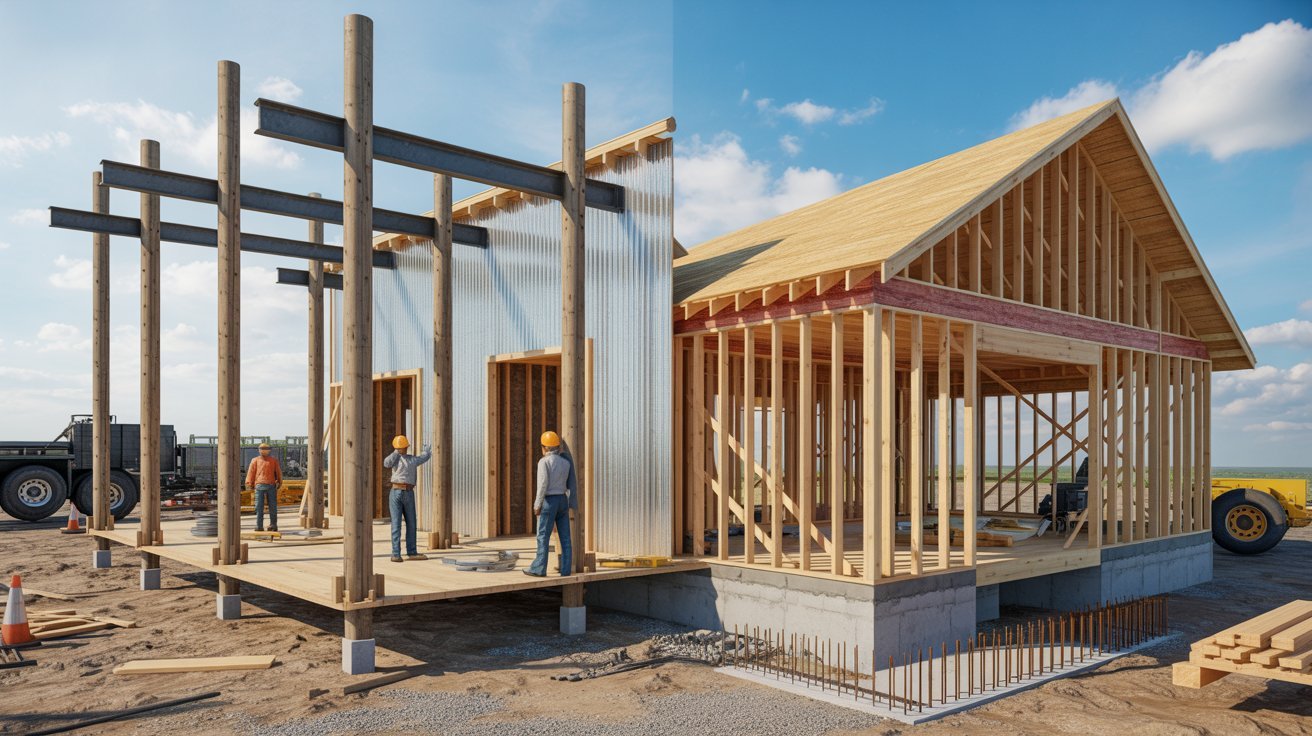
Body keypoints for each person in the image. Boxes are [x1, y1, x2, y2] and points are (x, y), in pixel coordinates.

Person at [525, 430, 576, 577]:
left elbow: (542, 485)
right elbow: (568, 484)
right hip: (562, 500)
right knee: (565, 537)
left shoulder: (543, 462)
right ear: (557, 447)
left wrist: (537, 505)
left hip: (549, 501)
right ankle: (566, 570)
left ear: (545, 447)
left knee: (543, 536)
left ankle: (539, 569)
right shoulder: (566, 463)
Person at [383, 435, 431, 563]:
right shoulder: (396, 459)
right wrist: (426, 452)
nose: (403, 449)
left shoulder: (410, 459)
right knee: (401, 524)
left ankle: (405, 553)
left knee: (406, 524)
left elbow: (423, 458)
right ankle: (400, 553)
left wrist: (426, 453)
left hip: (402, 492)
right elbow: (386, 463)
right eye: (402, 447)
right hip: (400, 492)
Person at [245, 443, 283, 532]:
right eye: (262, 449)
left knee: (264, 507)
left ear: (269, 450)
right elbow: (251, 472)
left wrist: (249, 483)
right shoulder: (257, 460)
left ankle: (267, 525)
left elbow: (278, 472)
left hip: (266, 485)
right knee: (263, 507)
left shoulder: (272, 461)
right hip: (263, 485)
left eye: (265, 449)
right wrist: (279, 482)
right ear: (259, 450)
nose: (264, 451)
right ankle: (264, 525)